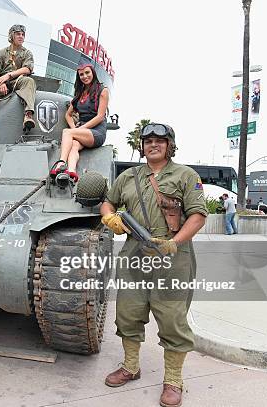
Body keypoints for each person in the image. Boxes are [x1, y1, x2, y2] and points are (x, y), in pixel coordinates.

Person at [100, 123, 207, 407]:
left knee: (172, 319)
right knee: (128, 313)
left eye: (160, 141)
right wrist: (110, 218)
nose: (153, 145)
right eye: (148, 141)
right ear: (142, 146)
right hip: (135, 253)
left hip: (172, 256)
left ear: (170, 145)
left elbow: (198, 215)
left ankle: (173, 380)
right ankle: (130, 366)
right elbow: (108, 203)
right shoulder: (128, 177)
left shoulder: (186, 175)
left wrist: (175, 242)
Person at [51, 62, 109, 182]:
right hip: (83, 131)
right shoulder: (80, 94)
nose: (85, 76)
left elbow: (100, 116)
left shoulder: (102, 90)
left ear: (92, 73)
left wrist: (78, 130)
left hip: (97, 132)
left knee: (67, 132)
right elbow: (68, 115)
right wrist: (74, 128)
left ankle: (61, 163)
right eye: (81, 74)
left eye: (87, 72)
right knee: (74, 145)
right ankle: (71, 171)